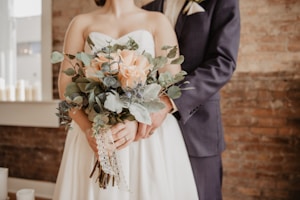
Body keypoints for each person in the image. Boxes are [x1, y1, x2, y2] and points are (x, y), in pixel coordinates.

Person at [53, 0, 198, 199]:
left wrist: (136, 120)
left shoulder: (157, 21)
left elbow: (172, 85)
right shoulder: (81, 23)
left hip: (146, 138)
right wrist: (88, 129)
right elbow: (65, 87)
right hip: (96, 132)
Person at [140, 0, 241, 199]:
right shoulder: (147, 10)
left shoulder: (221, 3)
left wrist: (169, 101)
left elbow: (223, 62)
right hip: (150, 134)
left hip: (198, 127)